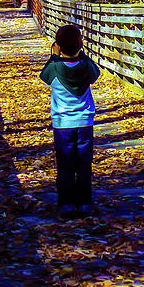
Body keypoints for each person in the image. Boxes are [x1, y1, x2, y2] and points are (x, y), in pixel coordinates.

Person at [40, 24, 101, 218]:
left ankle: (66, 204)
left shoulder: (54, 68)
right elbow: (95, 73)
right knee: (84, 164)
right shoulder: (86, 66)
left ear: (58, 45)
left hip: (62, 124)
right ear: (80, 45)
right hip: (84, 122)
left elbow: (44, 76)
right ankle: (85, 203)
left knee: (65, 165)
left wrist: (53, 54)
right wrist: (81, 54)